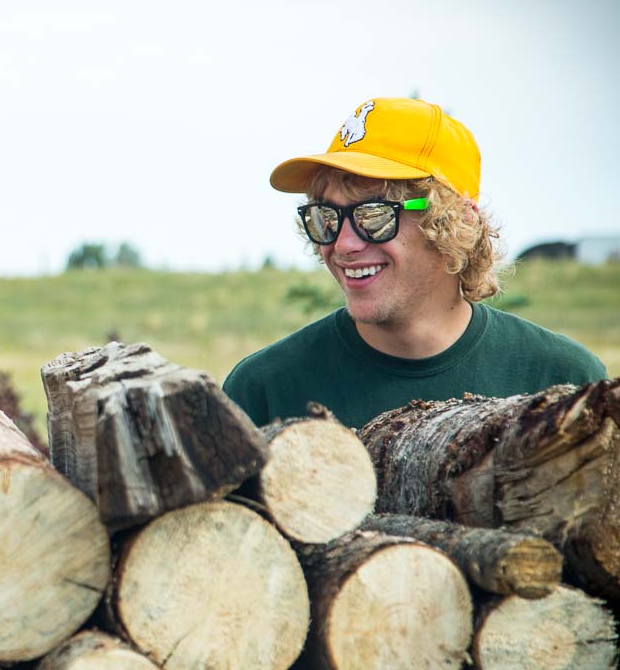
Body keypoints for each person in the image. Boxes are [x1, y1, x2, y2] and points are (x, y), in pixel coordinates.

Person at [223, 96, 606, 428]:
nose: (343, 245)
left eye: (375, 216)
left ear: (458, 220)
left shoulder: (562, 381)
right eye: (326, 217)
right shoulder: (263, 392)